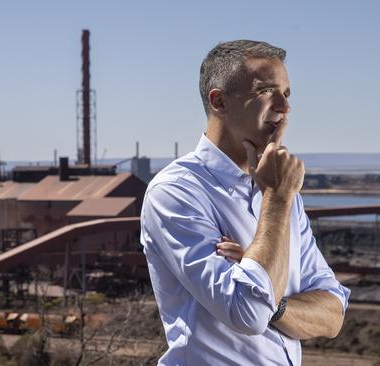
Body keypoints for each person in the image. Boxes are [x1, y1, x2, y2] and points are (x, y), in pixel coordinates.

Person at [140, 39, 351, 365]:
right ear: (219, 101)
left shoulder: (280, 191)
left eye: (287, 93)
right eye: (266, 91)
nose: (284, 106)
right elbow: (248, 314)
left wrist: (274, 301)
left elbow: (333, 314)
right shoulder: (177, 192)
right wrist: (277, 200)